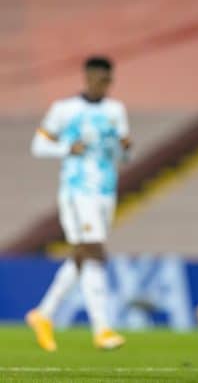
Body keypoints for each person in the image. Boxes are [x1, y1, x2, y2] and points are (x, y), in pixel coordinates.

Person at [26, 56, 131, 352]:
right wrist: (65, 147)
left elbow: (121, 155)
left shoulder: (116, 111)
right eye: (97, 78)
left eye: (106, 80)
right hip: (77, 190)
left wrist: (126, 150)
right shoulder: (65, 110)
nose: (102, 84)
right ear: (86, 77)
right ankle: (102, 328)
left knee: (83, 253)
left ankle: (43, 313)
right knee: (94, 249)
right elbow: (38, 145)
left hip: (106, 191)